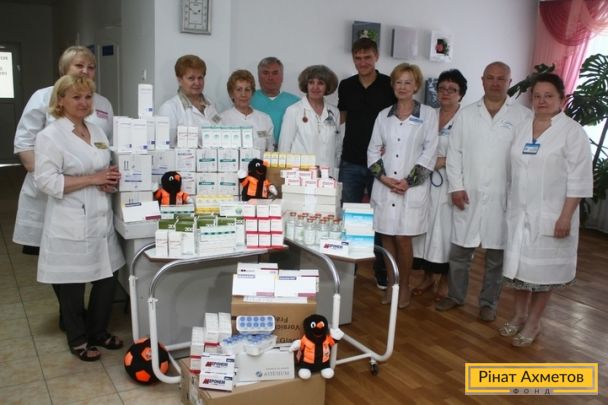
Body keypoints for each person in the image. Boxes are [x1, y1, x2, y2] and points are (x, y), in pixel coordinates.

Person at [12, 46, 114, 332]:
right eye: (79, 66)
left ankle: (84, 322)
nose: (85, 71)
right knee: (63, 262)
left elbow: (106, 144)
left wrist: (102, 176)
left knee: (95, 261)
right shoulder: (43, 97)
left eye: (90, 67)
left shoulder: (103, 103)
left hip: (92, 193)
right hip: (52, 193)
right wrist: (53, 177)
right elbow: (25, 144)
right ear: (64, 69)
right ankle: (72, 318)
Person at [34, 75, 125, 361]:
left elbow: (104, 168)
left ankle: (98, 331)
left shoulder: (96, 131)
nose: (84, 102)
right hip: (70, 219)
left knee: (107, 277)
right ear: (60, 100)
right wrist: (92, 179)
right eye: (76, 97)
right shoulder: (50, 136)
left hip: (100, 216)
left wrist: (109, 181)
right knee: (72, 283)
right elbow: (46, 181)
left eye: (87, 97)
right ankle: (77, 338)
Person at [499, 73, 592, 346]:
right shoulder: (522, 126)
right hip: (519, 213)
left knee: (542, 274)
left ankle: (533, 322)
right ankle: (518, 315)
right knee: (518, 270)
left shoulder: (572, 132)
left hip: (553, 215)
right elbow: (512, 170)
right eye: (537, 96)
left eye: (548, 96)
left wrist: (565, 217)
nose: (542, 101)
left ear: (561, 98)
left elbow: (579, 180)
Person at [436, 62, 531, 321]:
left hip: (504, 196)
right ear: (482, 80)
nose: (495, 83)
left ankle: (489, 303)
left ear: (509, 81)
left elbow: (526, 159)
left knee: (496, 256)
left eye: (501, 78)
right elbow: (454, 154)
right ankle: (455, 296)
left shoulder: (523, 117)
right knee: (460, 252)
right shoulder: (467, 114)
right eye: (490, 78)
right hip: (468, 193)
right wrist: (456, 187)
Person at [367, 63, 438, 309]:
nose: (403, 87)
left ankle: (405, 285)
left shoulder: (428, 114)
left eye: (408, 82)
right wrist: (384, 178)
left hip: (412, 187)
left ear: (416, 86)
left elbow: (430, 151)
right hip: (386, 185)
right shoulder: (383, 116)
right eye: (398, 82)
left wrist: (409, 181)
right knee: (387, 236)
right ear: (392, 85)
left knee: (403, 238)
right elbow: (373, 150)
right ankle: (392, 285)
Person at [338, 38, 396, 290]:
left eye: (367, 57)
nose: (362, 62)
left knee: (379, 219)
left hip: (379, 164)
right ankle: (347, 270)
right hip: (350, 160)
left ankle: (380, 270)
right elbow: (343, 119)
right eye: (358, 58)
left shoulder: (388, 85)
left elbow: (395, 120)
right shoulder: (346, 86)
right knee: (348, 217)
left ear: (376, 57)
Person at [412, 69, 468, 302]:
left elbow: (469, 153)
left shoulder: (466, 119)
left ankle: (445, 280)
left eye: (452, 90)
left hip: (451, 183)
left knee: (445, 233)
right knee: (424, 230)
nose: (445, 93)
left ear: (461, 94)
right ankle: (427, 277)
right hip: (425, 181)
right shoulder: (428, 115)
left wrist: (443, 162)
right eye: (442, 88)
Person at [278, 65, 341, 175]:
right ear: (306, 85)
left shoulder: (334, 112)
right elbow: (284, 148)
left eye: (320, 83)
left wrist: (335, 169)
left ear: (327, 86)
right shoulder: (293, 110)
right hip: (300, 175)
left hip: (327, 175)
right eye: (311, 82)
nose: (315, 87)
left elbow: (337, 147)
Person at [158, 55, 221, 146]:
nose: (197, 83)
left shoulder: (210, 104)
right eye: (191, 78)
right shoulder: (169, 108)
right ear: (179, 80)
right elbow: (166, 147)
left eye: (200, 78)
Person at [251, 57, 299, 148]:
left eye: (275, 73)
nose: (270, 77)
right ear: (258, 76)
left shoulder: (295, 102)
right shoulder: (248, 99)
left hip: (288, 153)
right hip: (256, 152)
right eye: (265, 73)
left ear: (282, 77)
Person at [221, 69, 274, 153]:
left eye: (247, 89)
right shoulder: (222, 120)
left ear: (252, 93)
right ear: (231, 94)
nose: (243, 94)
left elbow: (270, 149)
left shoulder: (265, 119)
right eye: (239, 90)